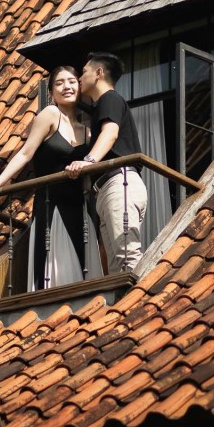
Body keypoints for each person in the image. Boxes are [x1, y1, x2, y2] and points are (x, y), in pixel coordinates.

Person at [0, 63, 98, 288]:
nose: (67, 87)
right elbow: (25, 153)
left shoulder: (88, 132)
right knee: (55, 272)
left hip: (80, 207)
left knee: (84, 273)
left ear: (80, 87)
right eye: (59, 83)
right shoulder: (50, 115)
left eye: (72, 82)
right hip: (51, 205)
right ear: (51, 92)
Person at [65, 51, 148, 270]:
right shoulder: (101, 105)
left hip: (119, 183)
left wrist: (89, 160)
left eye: (84, 72)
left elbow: (110, 132)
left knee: (126, 257)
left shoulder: (110, 98)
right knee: (116, 266)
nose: (79, 78)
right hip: (110, 186)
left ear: (99, 72)